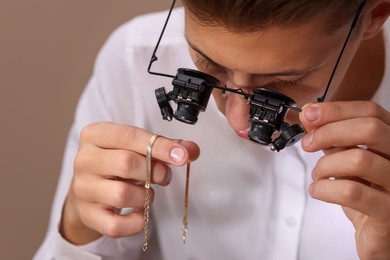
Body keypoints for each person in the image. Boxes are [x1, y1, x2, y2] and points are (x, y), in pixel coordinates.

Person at [35, 0, 390, 259]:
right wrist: (79, 228)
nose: (239, 120)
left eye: (285, 81)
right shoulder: (133, 62)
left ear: (374, 14)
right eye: (206, 65)